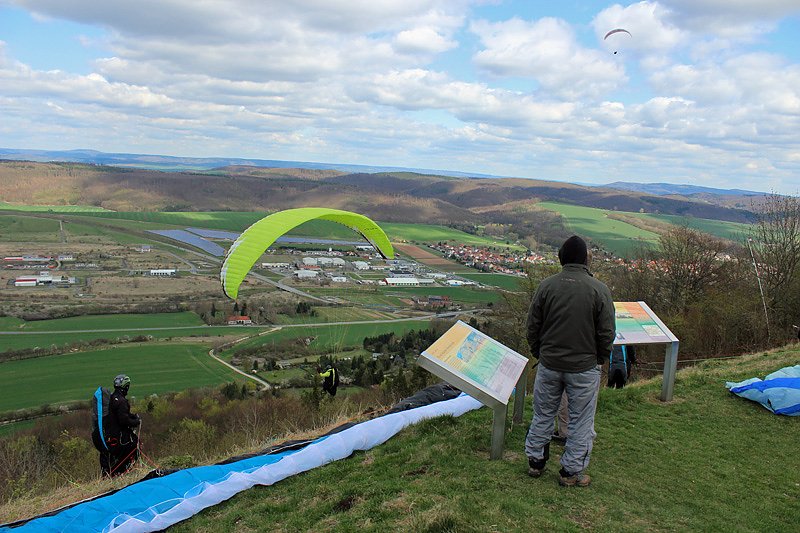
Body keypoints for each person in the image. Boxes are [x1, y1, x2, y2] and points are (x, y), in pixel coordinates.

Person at [524, 235, 616, 487]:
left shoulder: (547, 286)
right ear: (586, 259)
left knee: (542, 414)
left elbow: (532, 326)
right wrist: (598, 359)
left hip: (549, 364)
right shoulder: (599, 290)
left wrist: (540, 353)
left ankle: (535, 462)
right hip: (584, 367)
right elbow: (607, 332)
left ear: (561, 258)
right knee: (581, 421)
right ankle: (570, 472)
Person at [101, 374, 140, 476]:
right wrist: (136, 422)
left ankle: (112, 473)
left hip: (109, 435)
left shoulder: (112, 398)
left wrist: (132, 416)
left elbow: (119, 414)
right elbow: (123, 420)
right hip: (119, 438)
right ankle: (123, 472)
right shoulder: (122, 401)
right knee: (135, 445)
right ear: (126, 387)